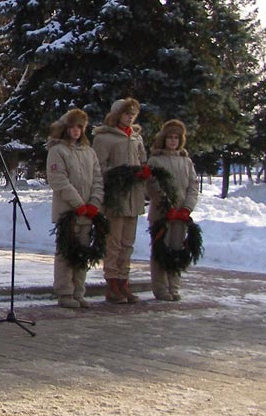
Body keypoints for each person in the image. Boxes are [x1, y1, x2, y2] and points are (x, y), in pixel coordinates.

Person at [46, 108, 104, 309]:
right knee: (66, 253)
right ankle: (65, 292)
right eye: (72, 127)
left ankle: (79, 291)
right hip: (68, 212)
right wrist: (78, 204)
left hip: (88, 213)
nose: (76, 131)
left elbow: (97, 179)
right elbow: (58, 180)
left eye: (80, 127)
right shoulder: (57, 151)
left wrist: (94, 202)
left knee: (82, 253)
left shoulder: (89, 152)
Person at [93, 97, 146, 304]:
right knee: (113, 242)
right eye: (126, 114)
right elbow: (98, 167)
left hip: (134, 197)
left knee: (128, 243)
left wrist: (142, 172)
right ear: (117, 115)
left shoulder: (136, 138)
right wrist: (119, 174)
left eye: (133, 114)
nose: (130, 117)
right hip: (115, 197)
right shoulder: (105, 138)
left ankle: (124, 280)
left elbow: (142, 160)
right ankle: (112, 282)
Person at [145, 119, 199, 302]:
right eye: (170, 137)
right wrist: (166, 206)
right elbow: (152, 186)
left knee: (177, 250)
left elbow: (193, 186)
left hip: (180, 216)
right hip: (161, 215)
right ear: (164, 139)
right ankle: (160, 288)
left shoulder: (186, 161)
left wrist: (187, 208)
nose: (173, 141)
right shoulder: (155, 161)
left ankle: (174, 286)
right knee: (161, 251)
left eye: (176, 138)